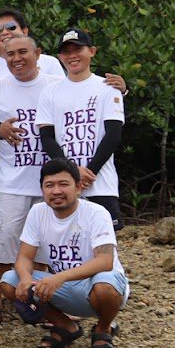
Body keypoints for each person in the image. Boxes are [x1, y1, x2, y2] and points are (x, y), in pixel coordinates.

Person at [1, 158, 128, 348]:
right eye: (49, 185)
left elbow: (105, 260)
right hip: (63, 287)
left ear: (78, 187)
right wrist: (25, 278)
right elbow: (24, 257)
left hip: (97, 284)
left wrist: (59, 277)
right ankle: (65, 326)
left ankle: (103, 329)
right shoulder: (38, 212)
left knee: (105, 287)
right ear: (42, 189)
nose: (56, 191)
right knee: (10, 281)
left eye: (63, 184)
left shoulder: (96, 213)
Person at [0, 35, 62, 323]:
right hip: (11, 179)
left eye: (23, 52)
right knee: (1, 240)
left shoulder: (55, 84)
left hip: (48, 180)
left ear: (37, 53)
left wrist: (122, 90)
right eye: (10, 53)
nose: (16, 58)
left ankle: (39, 300)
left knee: (45, 243)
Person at [37, 28, 126, 228]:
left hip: (100, 184)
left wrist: (89, 171)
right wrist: (71, 172)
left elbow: (113, 135)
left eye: (78, 49)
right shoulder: (50, 92)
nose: (72, 56)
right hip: (65, 184)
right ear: (60, 57)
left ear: (92, 51)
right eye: (66, 52)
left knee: (104, 245)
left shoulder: (108, 87)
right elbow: (47, 138)